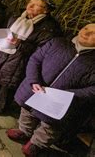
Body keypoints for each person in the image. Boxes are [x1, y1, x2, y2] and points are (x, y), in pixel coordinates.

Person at [6, 24, 95, 156]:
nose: (86, 33)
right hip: (35, 88)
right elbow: (35, 59)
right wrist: (34, 80)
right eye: (87, 28)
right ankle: (24, 131)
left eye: (93, 33)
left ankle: (36, 144)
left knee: (51, 126)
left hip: (64, 102)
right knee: (27, 111)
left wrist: (68, 95)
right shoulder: (58, 42)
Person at [0, 0, 61, 114]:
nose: (30, 6)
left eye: (36, 5)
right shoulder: (18, 16)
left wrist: (20, 44)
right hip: (4, 48)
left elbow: (43, 49)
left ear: (46, 10)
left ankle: (2, 106)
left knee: (9, 80)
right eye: (30, 3)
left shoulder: (49, 27)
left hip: (21, 57)